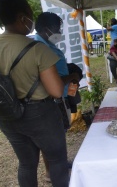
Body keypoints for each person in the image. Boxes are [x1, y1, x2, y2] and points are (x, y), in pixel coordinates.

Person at [0, 0, 69, 187]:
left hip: (7, 116)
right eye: (30, 16)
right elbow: (55, 90)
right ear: (22, 18)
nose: (32, 22)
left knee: (27, 165)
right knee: (57, 162)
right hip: (40, 115)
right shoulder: (37, 49)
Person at [34, 12, 81, 182]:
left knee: (60, 133)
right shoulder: (39, 47)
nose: (59, 31)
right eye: (57, 28)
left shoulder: (46, 44)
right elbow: (49, 79)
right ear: (47, 28)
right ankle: (51, 173)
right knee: (53, 139)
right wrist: (70, 77)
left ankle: (60, 164)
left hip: (60, 95)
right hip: (51, 99)